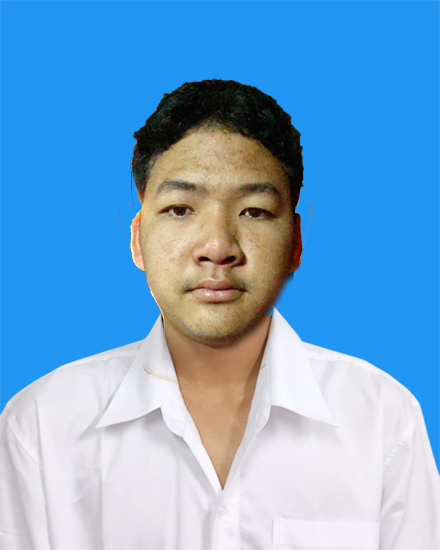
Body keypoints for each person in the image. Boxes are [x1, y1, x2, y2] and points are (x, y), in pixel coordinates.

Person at [0, 80, 438, 550]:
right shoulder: (44, 423)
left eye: (253, 212)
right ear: (137, 239)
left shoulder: (381, 417)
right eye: (180, 209)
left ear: (295, 242)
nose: (218, 247)